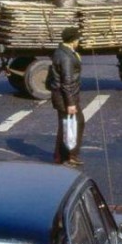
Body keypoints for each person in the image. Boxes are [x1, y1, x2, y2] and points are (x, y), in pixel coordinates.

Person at [47, 27, 85, 166]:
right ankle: (67, 157)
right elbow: (67, 82)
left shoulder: (64, 52)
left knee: (68, 125)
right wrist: (70, 104)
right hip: (65, 98)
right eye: (77, 39)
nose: (79, 41)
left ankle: (62, 155)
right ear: (73, 40)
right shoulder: (66, 57)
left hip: (63, 97)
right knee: (73, 124)